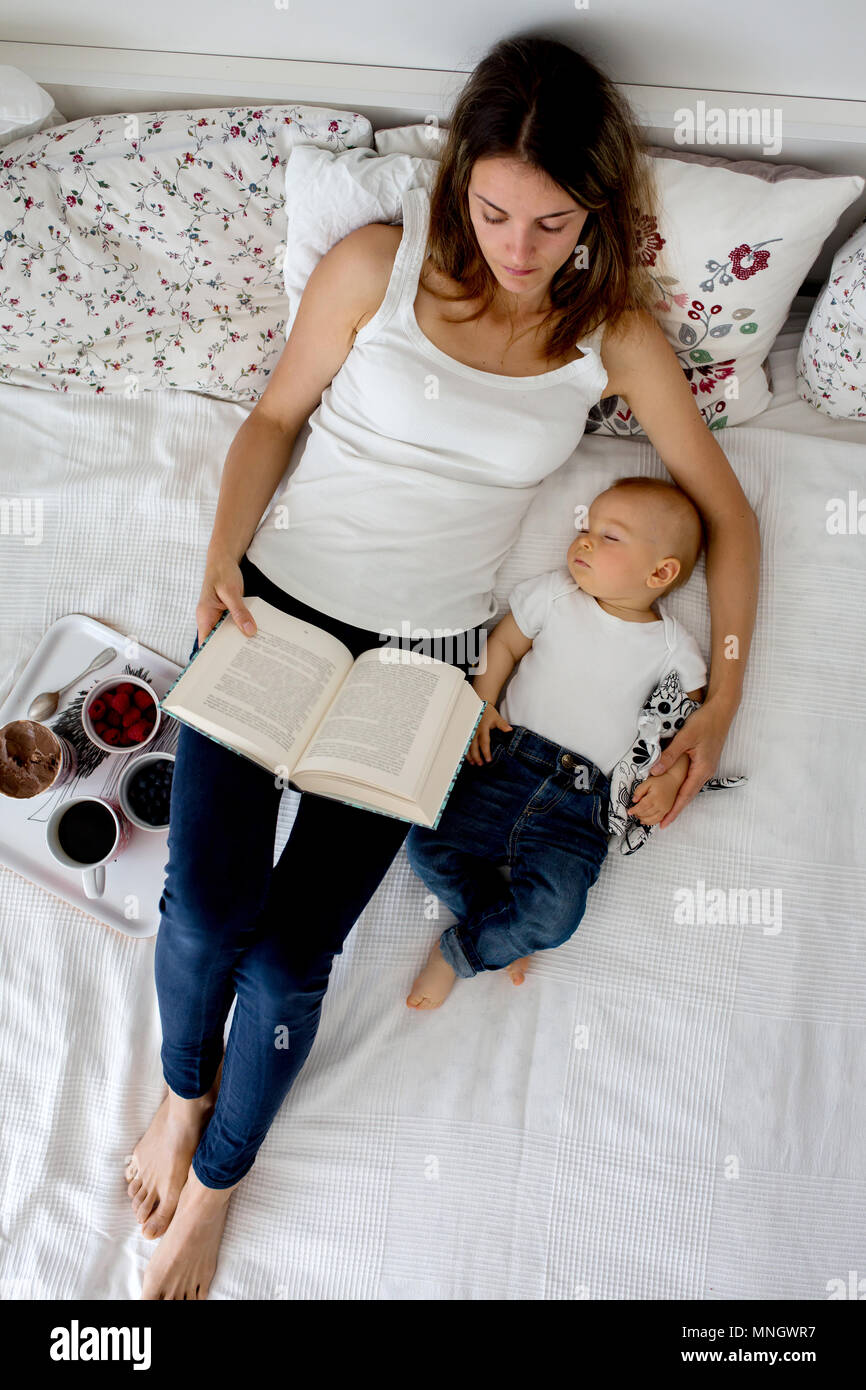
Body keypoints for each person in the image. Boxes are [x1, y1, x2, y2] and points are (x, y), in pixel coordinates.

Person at [125, 33, 760, 1300]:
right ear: (457, 178)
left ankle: (215, 1185)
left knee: (293, 955)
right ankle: (179, 1091)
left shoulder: (610, 336)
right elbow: (271, 417)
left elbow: (728, 518)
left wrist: (721, 693)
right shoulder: (378, 259)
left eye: (549, 221)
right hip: (278, 612)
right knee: (205, 906)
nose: (515, 249)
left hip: (424, 660)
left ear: (595, 213)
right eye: (489, 209)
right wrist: (220, 560)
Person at [404, 476, 708, 1009]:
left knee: (554, 914)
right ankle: (499, 933)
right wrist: (482, 703)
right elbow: (503, 644)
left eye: (609, 538)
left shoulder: (672, 647)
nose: (585, 541)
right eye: (586, 529)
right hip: (503, 759)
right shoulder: (554, 594)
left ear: (660, 572)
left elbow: (688, 724)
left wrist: (676, 775)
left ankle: (465, 950)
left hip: (581, 802)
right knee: (427, 843)